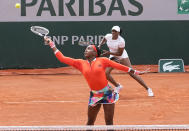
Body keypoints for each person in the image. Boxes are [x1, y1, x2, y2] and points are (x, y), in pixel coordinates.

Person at [44, 37, 148, 126]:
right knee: (90, 122)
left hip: (107, 94)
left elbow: (120, 66)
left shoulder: (103, 60)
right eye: (85, 49)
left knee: (109, 123)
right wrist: (51, 44)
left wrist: (137, 72)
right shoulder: (80, 63)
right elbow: (62, 58)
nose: (85, 50)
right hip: (95, 95)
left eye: (88, 49)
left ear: (94, 52)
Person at [98, 25, 154, 97]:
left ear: (118, 33)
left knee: (131, 73)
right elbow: (104, 39)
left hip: (122, 56)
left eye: (115, 31)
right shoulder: (108, 36)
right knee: (106, 73)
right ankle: (118, 86)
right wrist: (99, 45)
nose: (113, 32)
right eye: (112, 30)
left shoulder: (121, 41)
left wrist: (109, 53)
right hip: (112, 56)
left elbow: (119, 53)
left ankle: (148, 89)